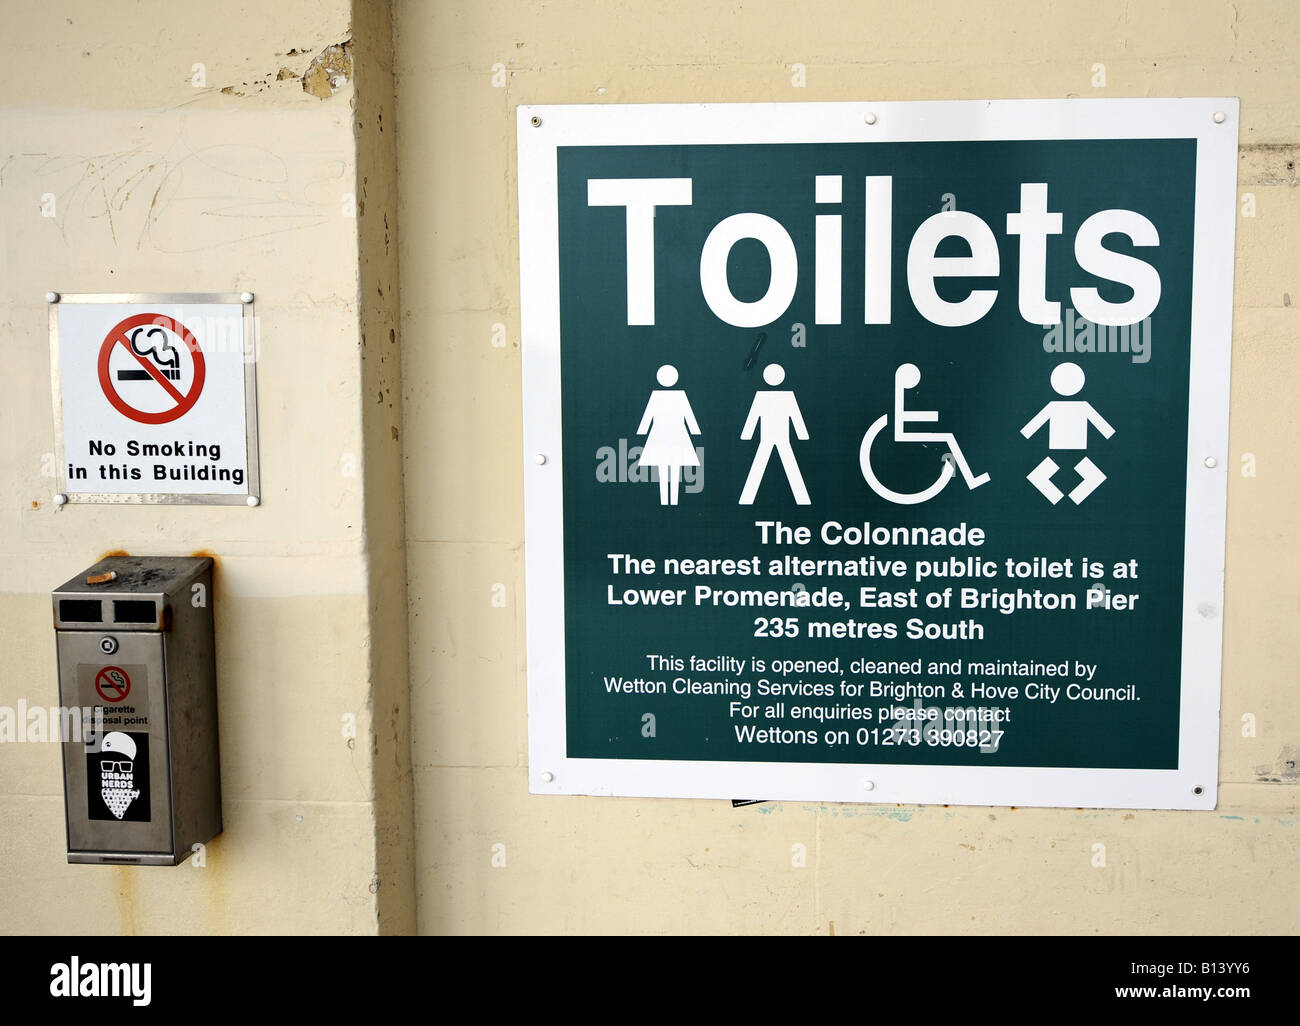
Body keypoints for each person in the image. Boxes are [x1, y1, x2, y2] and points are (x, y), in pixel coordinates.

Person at [739, 364, 811, 505]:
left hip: (771, 438)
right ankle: (802, 498)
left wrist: (747, 434)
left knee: (762, 464)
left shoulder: (765, 397)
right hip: (777, 438)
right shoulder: (784, 397)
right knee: (787, 463)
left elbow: (754, 417)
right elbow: (795, 417)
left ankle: (747, 498)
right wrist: (802, 434)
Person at [635, 364, 701, 505]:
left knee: (665, 469)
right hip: (676, 436)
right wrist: (695, 431)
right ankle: (669, 500)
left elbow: (647, 418)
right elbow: (689, 417)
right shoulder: (677, 396)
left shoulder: (659, 396)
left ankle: (667, 500)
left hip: (661, 437)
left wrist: (642, 430)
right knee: (672, 468)